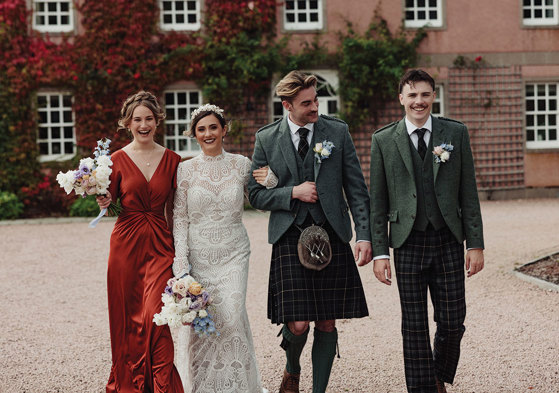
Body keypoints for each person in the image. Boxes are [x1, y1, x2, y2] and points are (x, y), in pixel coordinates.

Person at [248, 70, 372, 393]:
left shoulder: (337, 131)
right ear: (287, 105)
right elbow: (256, 194)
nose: (315, 107)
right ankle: (292, 368)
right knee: (298, 322)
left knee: (327, 319)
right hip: (290, 235)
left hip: (331, 233)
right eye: (307, 103)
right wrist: (293, 192)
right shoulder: (266, 139)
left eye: (316, 99)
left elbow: (357, 189)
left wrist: (364, 234)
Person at [369, 69, 485, 393]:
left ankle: (438, 375)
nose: (418, 101)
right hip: (407, 242)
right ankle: (424, 388)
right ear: (401, 98)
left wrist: (474, 243)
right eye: (412, 95)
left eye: (425, 94)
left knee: (452, 321)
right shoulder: (383, 140)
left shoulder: (455, 133)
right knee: (414, 324)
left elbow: (468, 192)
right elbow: (376, 201)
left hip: (448, 238)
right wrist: (380, 252)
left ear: (434, 96)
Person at [171, 103, 274, 393]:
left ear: (224, 129)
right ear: (194, 134)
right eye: (201, 129)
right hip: (198, 255)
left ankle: (237, 386)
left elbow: (263, 202)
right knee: (201, 320)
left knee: (230, 314)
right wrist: (181, 262)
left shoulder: (242, 165)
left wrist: (272, 181)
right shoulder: (185, 170)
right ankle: (202, 387)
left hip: (234, 253)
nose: (208, 133)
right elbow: (180, 218)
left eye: (213, 127)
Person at [96, 91, 184, 392]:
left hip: (160, 245)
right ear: (127, 123)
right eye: (137, 120)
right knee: (127, 320)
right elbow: (114, 209)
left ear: (157, 121)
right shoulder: (115, 160)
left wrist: (181, 252)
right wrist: (106, 202)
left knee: (156, 317)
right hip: (125, 247)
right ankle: (130, 383)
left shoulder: (173, 160)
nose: (143, 125)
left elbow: (175, 211)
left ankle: (162, 386)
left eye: (148, 119)